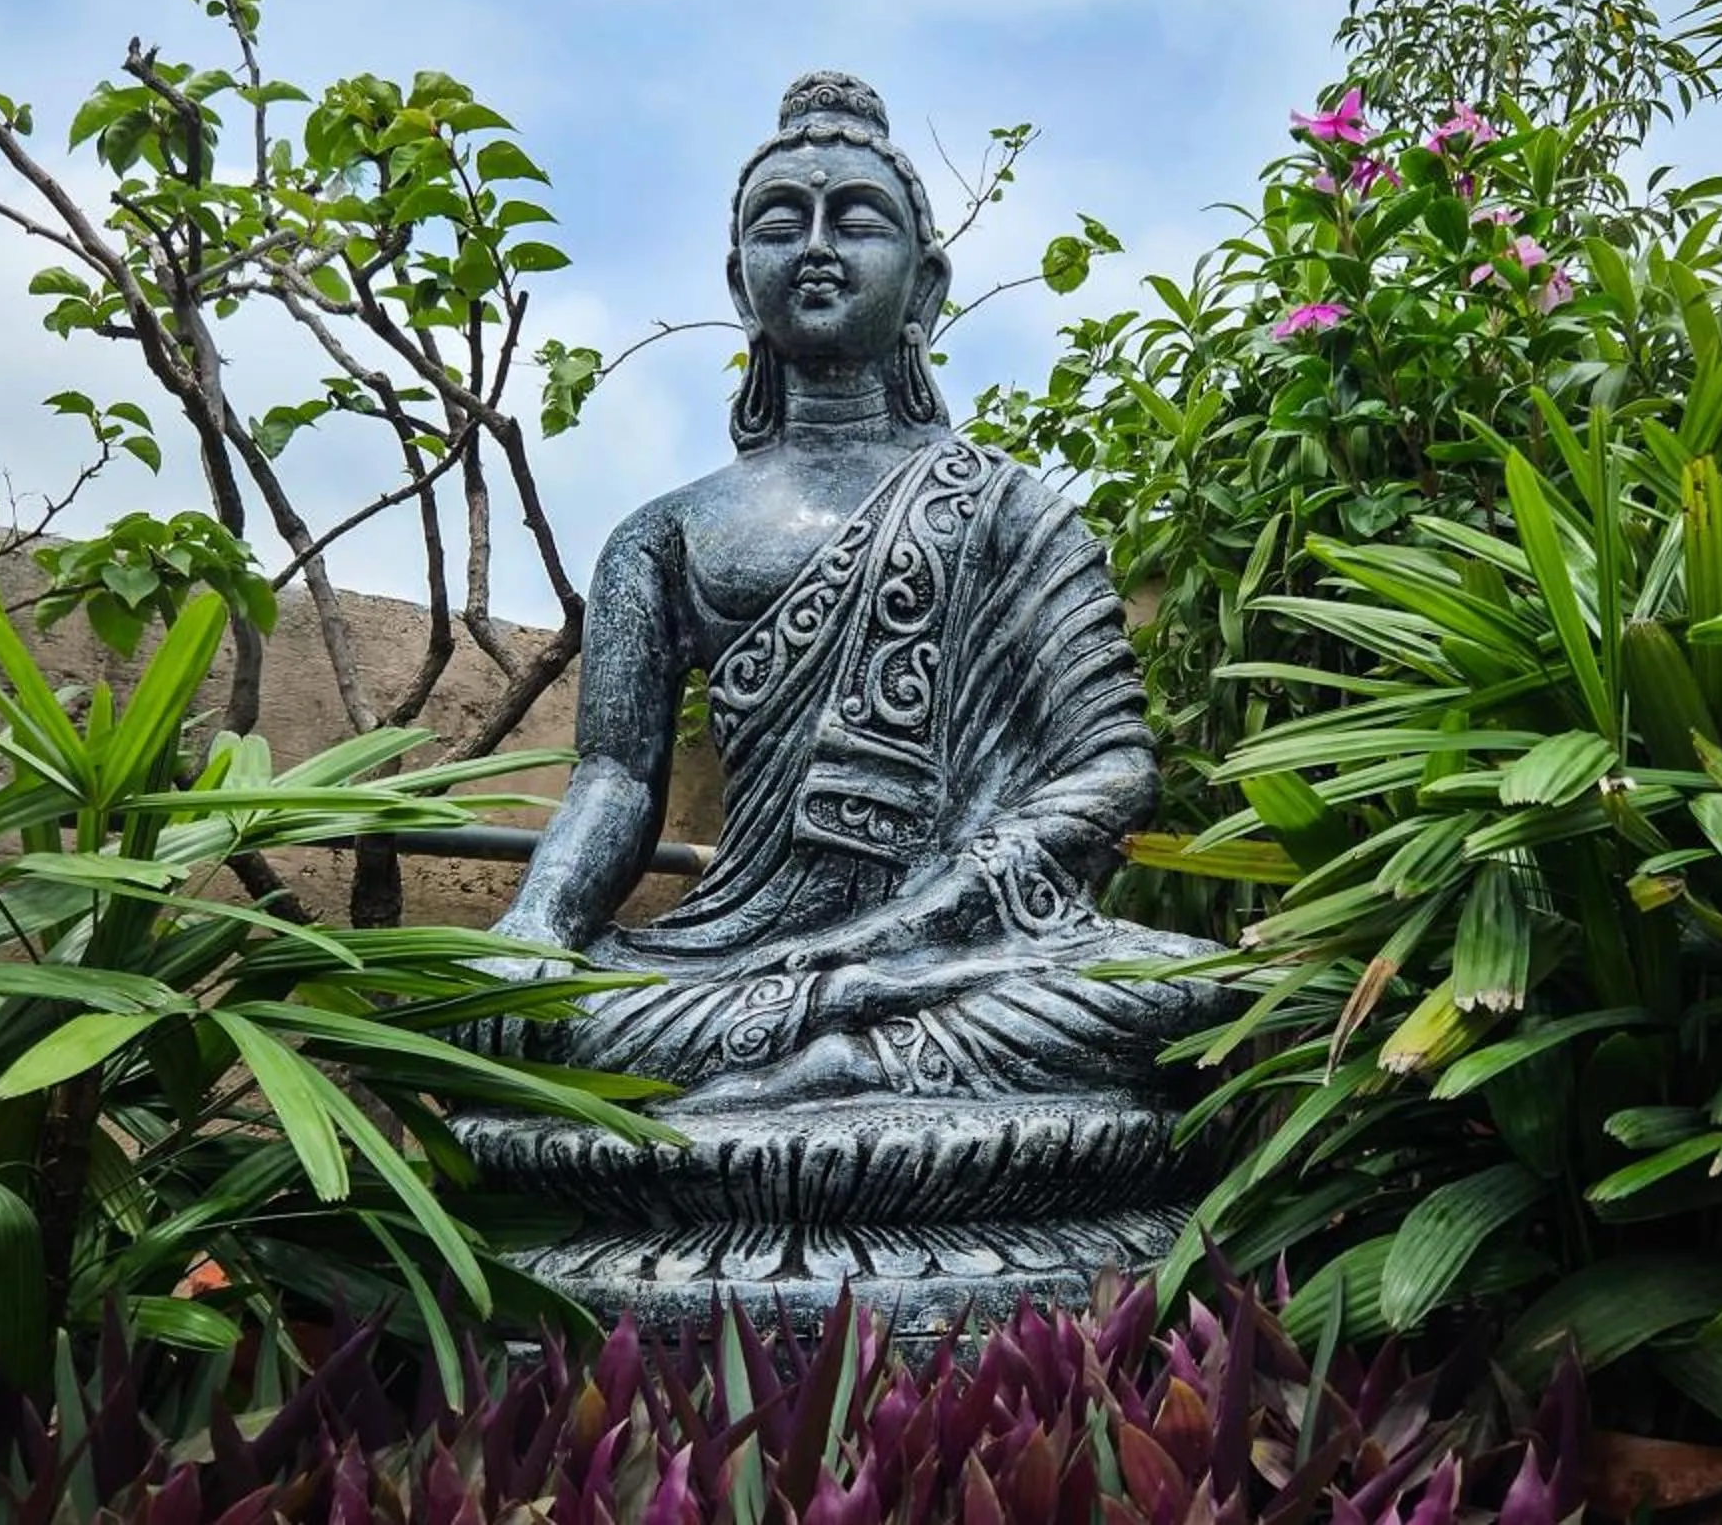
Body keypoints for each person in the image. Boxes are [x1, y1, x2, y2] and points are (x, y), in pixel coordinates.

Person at [471, 72, 1219, 1113]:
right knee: (503, 1012)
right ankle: (838, 1063)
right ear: (740, 284)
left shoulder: (1011, 510)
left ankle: (829, 1067)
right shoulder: (664, 530)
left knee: (1206, 993)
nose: (817, 245)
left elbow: (1111, 770)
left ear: (925, 285)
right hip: (723, 959)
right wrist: (537, 927)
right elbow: (617, 777)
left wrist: (933, 918)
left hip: (967, 951)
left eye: (855, 220)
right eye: (783, 224)